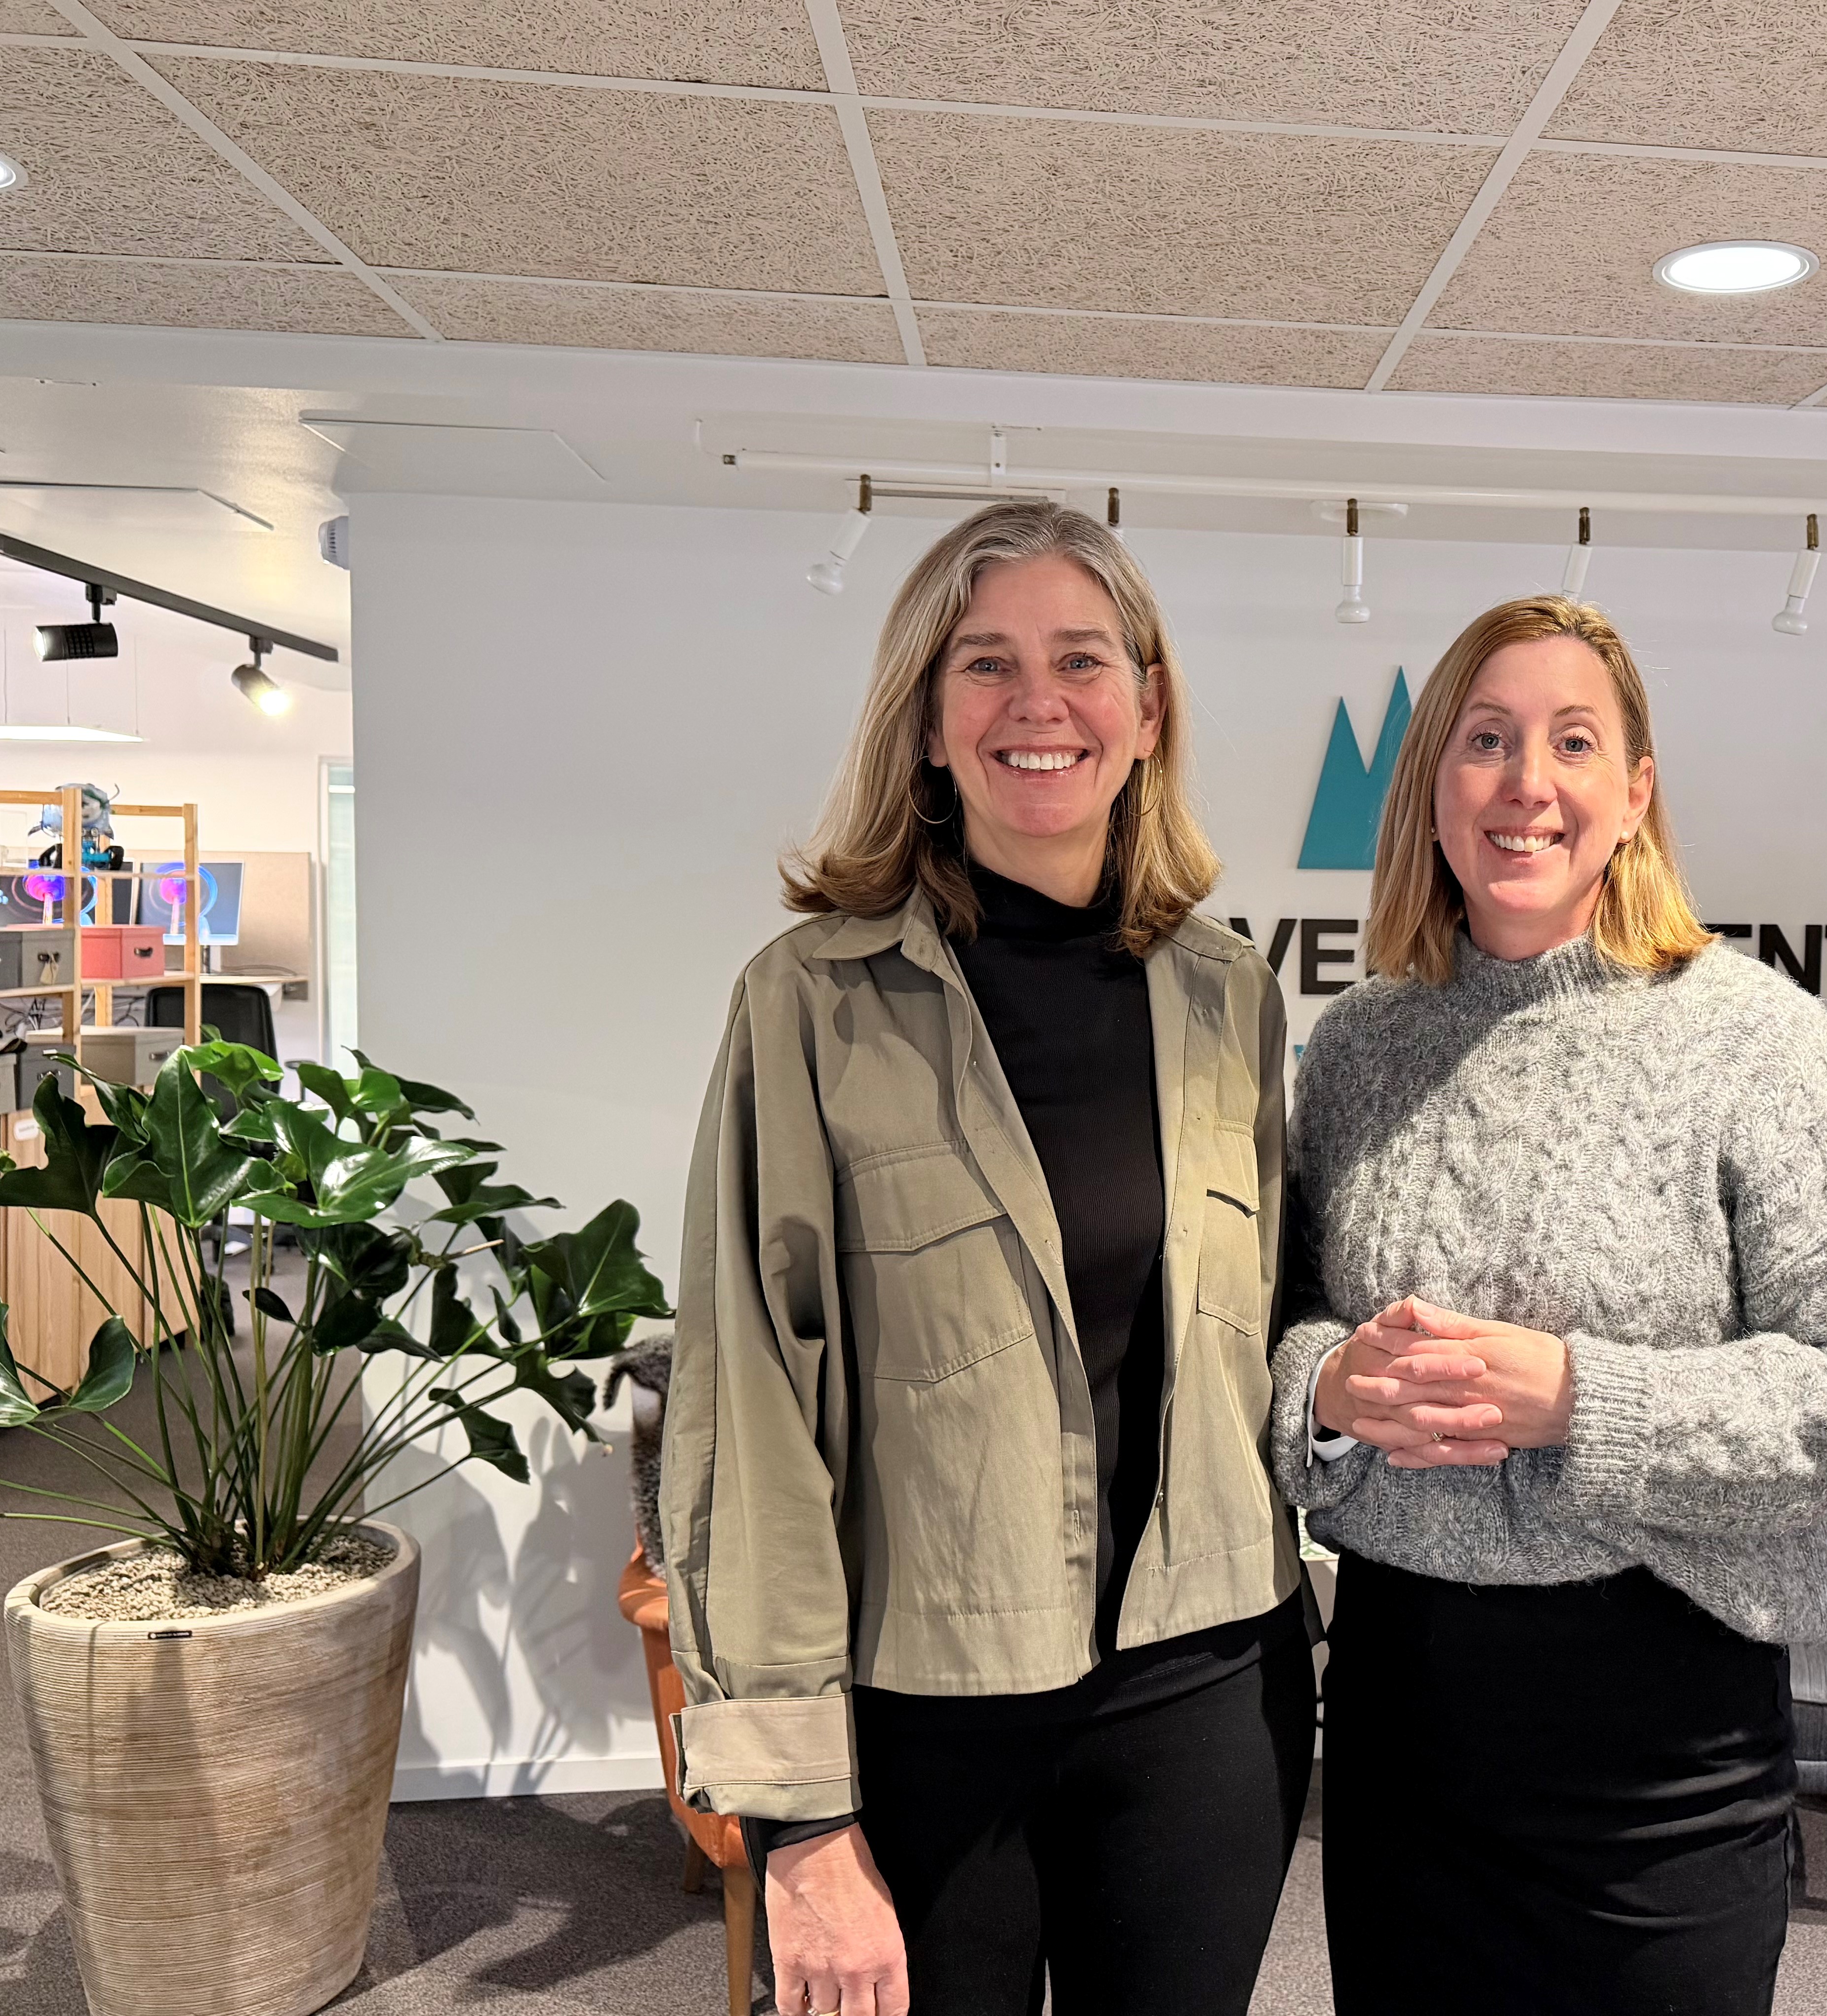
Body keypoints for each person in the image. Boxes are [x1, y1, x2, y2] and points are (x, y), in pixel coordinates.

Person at [1270, 594, 1827, 2016]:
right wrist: (1330, 1387)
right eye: (1485, 740)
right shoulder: (1353, 1048)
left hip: (1664, 1745)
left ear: (1635, 792)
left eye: (1572, 741)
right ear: (1433, 786)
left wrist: (1586, 1401)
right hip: (1404, 1725)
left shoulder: (1758, 1041)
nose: (1526, 781)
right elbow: (1278, 1325)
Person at [662, 500, 1311, 2016]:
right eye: (986, 663)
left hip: (1205, 1687)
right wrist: (801, 1822)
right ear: (926, 718)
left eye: (1082, 660)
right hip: (922, 1716)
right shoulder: (810, 1003)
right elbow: (748, 1418)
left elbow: (1266, 1335)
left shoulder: (1229, 996)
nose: (1040, 702)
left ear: (1147, 709)